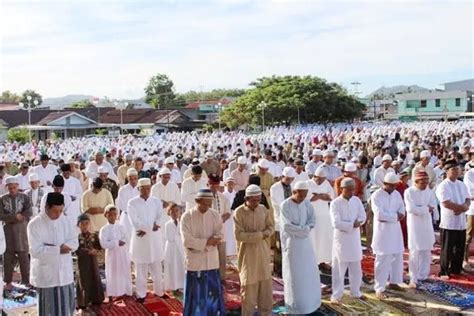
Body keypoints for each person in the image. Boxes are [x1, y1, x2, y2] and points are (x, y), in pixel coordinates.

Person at [27, 192, 78, 316]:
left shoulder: (66, 220)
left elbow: (74, 241)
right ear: (46, 208)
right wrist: (57, 250)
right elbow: (35, 250)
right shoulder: (35, 224)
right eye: (55, 211)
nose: (58, 214)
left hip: (64, 272)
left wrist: (67, 247)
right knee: (48, 310)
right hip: (46, 275)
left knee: (66, 308)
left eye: (61, 211)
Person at [180, 188, 225, 315]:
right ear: (197, 201)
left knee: (213, 296)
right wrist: (207, 242)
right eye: (204, 204)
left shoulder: (215, 215)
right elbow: (187, 241)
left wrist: (200, 244)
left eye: (209, 204)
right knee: (195, 297)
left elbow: (220, 235)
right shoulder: (187, 217)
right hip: (195, 264)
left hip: (211, 262)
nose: (207, 207)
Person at [280, 181, 321, 314]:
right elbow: (286, 226)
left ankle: (310, 304)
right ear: (294, 192)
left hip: (306, 246)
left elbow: (312, 220)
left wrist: (306, 228)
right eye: (300, 195)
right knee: (294, 277)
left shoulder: (307, 204)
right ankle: (294, 307)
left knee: (308, 274)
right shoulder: (285, 205)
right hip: (292, 246)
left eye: (305, 195)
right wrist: (303, 231)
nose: (302, 198)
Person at [234, 185, 274, 316]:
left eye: (258, 200)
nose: (256, 203)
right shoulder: (239, 212)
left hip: (263, 253)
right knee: (248, 291)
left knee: (265, 290)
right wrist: (260, 235)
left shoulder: (263, 209)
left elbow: (271, 227)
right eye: (254, 200)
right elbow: (239, 235)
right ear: (246, 198)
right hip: (247, 255)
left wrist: (265, 233)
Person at [330, 178, 366, 304]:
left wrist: (359, 222)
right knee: (339, 269)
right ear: (342, 189)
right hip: (342, 240)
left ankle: (355, 292)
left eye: (353, 189)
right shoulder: (335, 203)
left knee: (356, 267)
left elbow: (363, 216)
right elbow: (336, 223)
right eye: (349, 190)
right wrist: (352, 224)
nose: (352, 192)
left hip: (354, 239)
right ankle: (336, 295)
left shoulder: (356, 201)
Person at [127, 177, 164, 301]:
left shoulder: (156, 201)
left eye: (148, 188)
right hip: (140, 239)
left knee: (157, 266)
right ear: (139, 189)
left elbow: (159, 216)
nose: (147, 191)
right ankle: (141, 294)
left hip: (154, 238)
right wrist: (148, 228)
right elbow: (134, 221)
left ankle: (159, 291)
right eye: (144, 189)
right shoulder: (132, 202)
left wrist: (150, 228)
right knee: (141, 267)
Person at [371, 172, 405, 299]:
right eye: (391, 186)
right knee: (382, 260)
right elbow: (380, 216)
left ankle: (394, 282)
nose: (393, 188)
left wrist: (394, 216)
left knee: (397, 256)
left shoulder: (396, 194)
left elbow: (402, 211)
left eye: (395, 185)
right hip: (382, 232)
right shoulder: (376, 196)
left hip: (395, 231)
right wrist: (395, 216)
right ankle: (379, 288)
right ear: (384, 184)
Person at [436, 160, 470, 279]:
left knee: (459, 246)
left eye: (457, 169)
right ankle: (444, 270)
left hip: (461, 221)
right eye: (453, 170)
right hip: (449, 222)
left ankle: (456, 268)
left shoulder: (461, 184)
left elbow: (467, 199)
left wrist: (464, 207)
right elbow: (445, 202)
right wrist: (461, 208)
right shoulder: (443, 185)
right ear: (447, 171)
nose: (456, 172)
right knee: (447, 248)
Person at [404, 171, 437, 288]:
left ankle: (423, 275)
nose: (425, 185)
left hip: (427, 224)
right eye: (422, 182)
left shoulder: (430, 191)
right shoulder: (409, 192)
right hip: (414, 225)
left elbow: (433, 205)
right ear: (416, 182)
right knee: (415, 251)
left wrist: (422, 209)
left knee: (426, 250)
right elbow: (410, 208)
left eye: (426, 182)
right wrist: (425, 209)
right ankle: (413, 277)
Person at [0, 176, 33, 290]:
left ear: (17, 186)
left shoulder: (24, 197)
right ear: (7, 187)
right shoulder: (2, 199)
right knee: (8, 256)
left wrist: (22, 217)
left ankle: (26, 280)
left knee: (23, 255)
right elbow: (1, 215)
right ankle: (7, 281)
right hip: (8, 231)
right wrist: (14, 217)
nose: (12, 190)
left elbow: (29, 211)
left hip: (21, 230)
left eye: (14, 187)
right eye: (10, 188)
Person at [99, 205, 133, 301]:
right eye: (110, 215)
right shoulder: (104, 229)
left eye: (114, 214)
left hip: (122, 253)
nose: (113, 217)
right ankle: (111, 294)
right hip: (112, 255)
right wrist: (116, 242)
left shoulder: (121, 226)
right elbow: (103, 243)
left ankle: (125, 291)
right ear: (106, 215)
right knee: (112, 272)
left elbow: (126, 238)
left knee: (124, 271)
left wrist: (116, 242)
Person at [306, 166, 335, 268]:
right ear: (314, 176)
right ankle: (312, 261)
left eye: (323, 180)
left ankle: (322, 261)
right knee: (313, 238)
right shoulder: (308, 184)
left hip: (324, 216)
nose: (321, 182)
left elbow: (331, 196)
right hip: (312, 215)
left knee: (323, 239)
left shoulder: (326, 183)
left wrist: (319, 195)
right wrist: (322, 196)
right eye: (319, 179)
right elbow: (309, 198)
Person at [269, 166, 296, 277]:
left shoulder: (293, 186)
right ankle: (278, 270)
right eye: (287, 179)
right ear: (282, 177)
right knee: (279, 246)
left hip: (292, 220)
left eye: (291, 179)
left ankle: (288, 268)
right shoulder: (275, 188)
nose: (289, 181)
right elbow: (279, 204)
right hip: (280, 219)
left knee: (290, 246)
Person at [76, 213, 105, 311]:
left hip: (93, 262)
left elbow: (100, 247)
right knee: (83, 280)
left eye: (86, 223)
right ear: (78, 225)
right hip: (82, 263)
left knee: (95, 278)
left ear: (89, 224)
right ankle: (83, 302)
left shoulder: (94, 235)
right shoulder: (77, 237)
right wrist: (88, 251)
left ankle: (96, 299)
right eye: (82, 224)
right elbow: (76, 250)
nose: (84, 226)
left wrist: (96, 251)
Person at [163, 203, 185, 292]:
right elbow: (170, 237)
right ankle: (173, 285)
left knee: (180, 265)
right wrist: (178, 235)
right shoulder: (168, 224)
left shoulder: (181, 223)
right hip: (172, 248)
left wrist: (179, 236)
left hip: (180, 247)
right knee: (172, 266)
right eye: (172, 212)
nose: (175, 213)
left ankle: (181, 284)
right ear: (169, 213)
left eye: (177, 211)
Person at [116, 168, 139, 244]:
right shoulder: (123, 189)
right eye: (131, 179)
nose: (133, 181)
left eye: (135, 178)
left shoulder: (140, 188)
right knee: (127, 238)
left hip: (138, 217)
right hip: (126, 217)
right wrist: (131, 211)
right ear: (127, 179)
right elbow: (121, 204)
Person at [223, 177, 237, 256]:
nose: (231, 185)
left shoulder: (236, 194)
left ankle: (233, 251)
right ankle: (227, 251)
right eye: (229, 183)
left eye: (232, 183)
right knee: (227, 233)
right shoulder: (224, 195)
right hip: (227, 216)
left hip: (234, 216)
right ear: (226, 184)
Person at [464, 166, 474, 271]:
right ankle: (464, 260)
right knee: (469, 235)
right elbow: (471, 193)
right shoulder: (470, 174)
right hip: (472, 209)